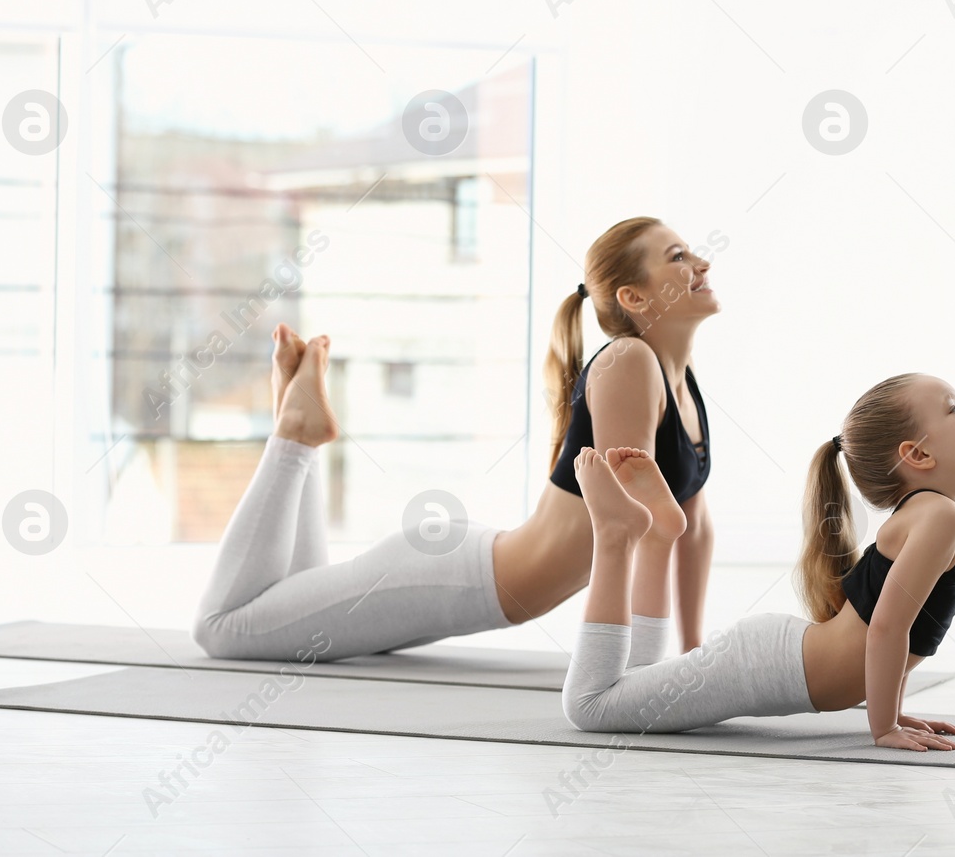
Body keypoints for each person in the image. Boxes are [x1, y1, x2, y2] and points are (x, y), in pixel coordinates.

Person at [190, 217, 722, 663]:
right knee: (223, 629)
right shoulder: (630, 363)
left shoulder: (683, 381)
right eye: (678, 257)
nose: (701, 263)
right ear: (634, 296)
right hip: (452, 583)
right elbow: (625, 529)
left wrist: (695, 657)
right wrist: (634, 672)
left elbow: (691, 529)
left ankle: (300, 426)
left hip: (465, 574)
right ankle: (293, 439)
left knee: (296, 605)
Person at [560, 374, 955, 752]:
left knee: (632, 681)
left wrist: (897, 715)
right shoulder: (940, 516)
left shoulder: (939, 515)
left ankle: (657, 538)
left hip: (774, 659)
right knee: (591, 705)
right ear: (917, 455)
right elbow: (887, 628)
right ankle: (616, 537)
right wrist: (885, 727)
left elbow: (894, 631)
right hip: (764, 668)